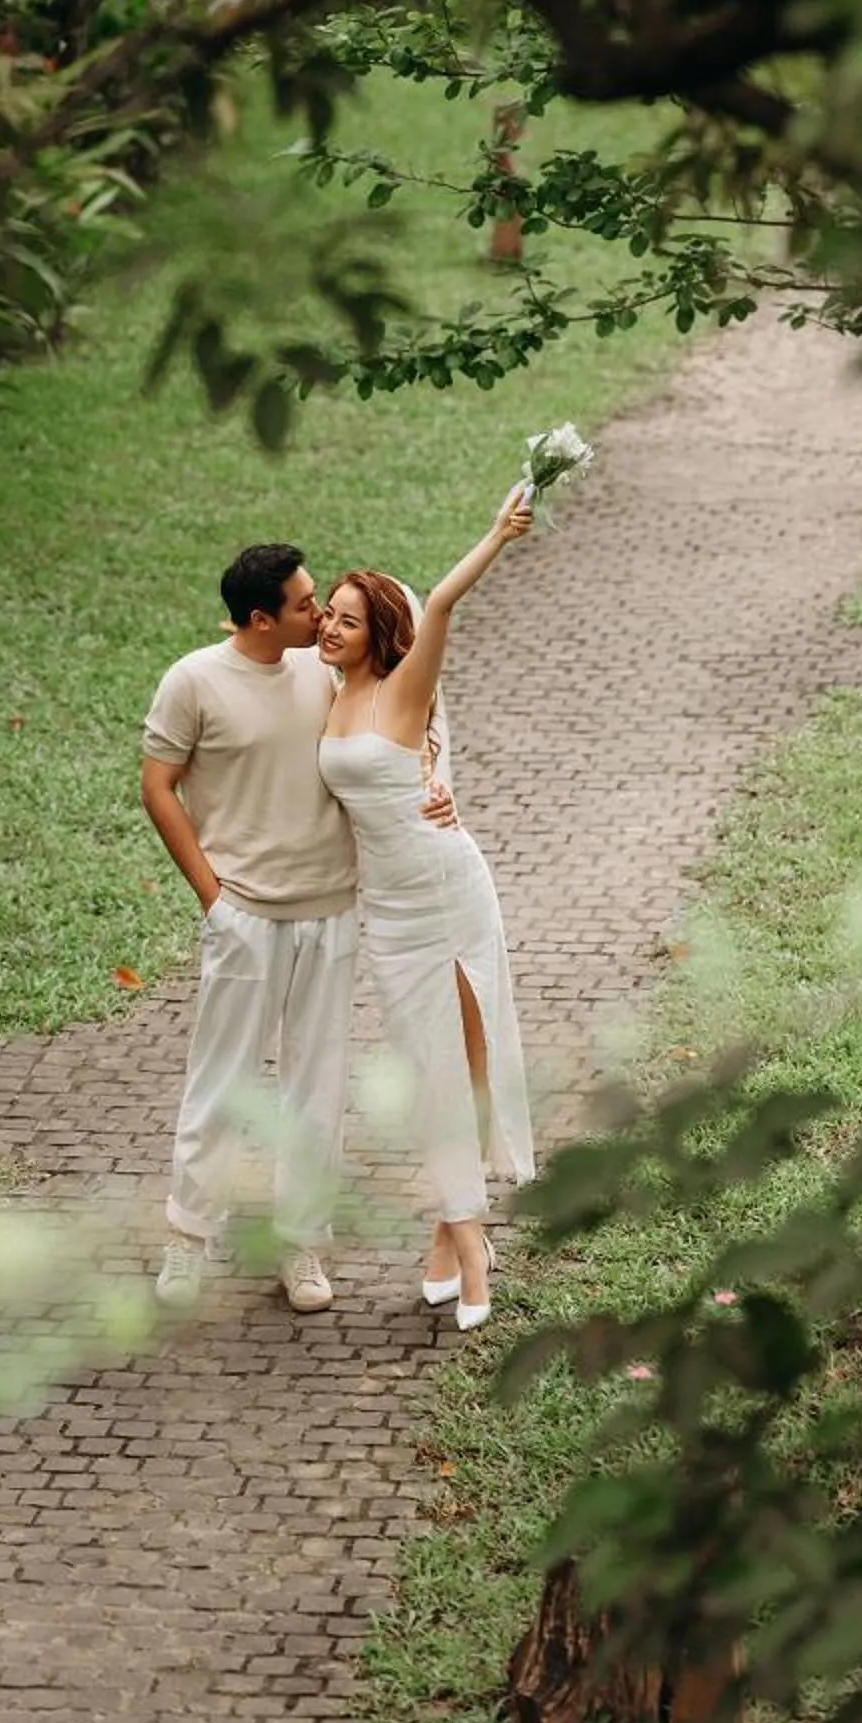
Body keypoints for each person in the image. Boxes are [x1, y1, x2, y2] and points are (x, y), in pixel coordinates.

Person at [140, 541, 454, 1316]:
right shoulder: (195, 681)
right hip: (245, 915)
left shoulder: (333, 672)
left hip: (331, 913)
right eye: (306, 605)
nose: (320, 616)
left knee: (316, 1089)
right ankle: (188, 1241)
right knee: (222, 1084)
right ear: (259, 618)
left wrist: (435, 789)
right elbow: (157, 786)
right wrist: (215, 898)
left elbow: (410, 713)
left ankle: (302, 1245)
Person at [316, 488, 536, 1330]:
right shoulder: (322, 686)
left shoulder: (405, 690)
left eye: (346, 620)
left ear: (377, 633)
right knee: (427, 1075)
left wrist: (496, 533)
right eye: (326, 616)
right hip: (390, 915)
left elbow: (440, 601)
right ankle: (455, 1237)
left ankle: (467, 1242)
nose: (330, 628)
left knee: (468, 1065)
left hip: (447, 889)